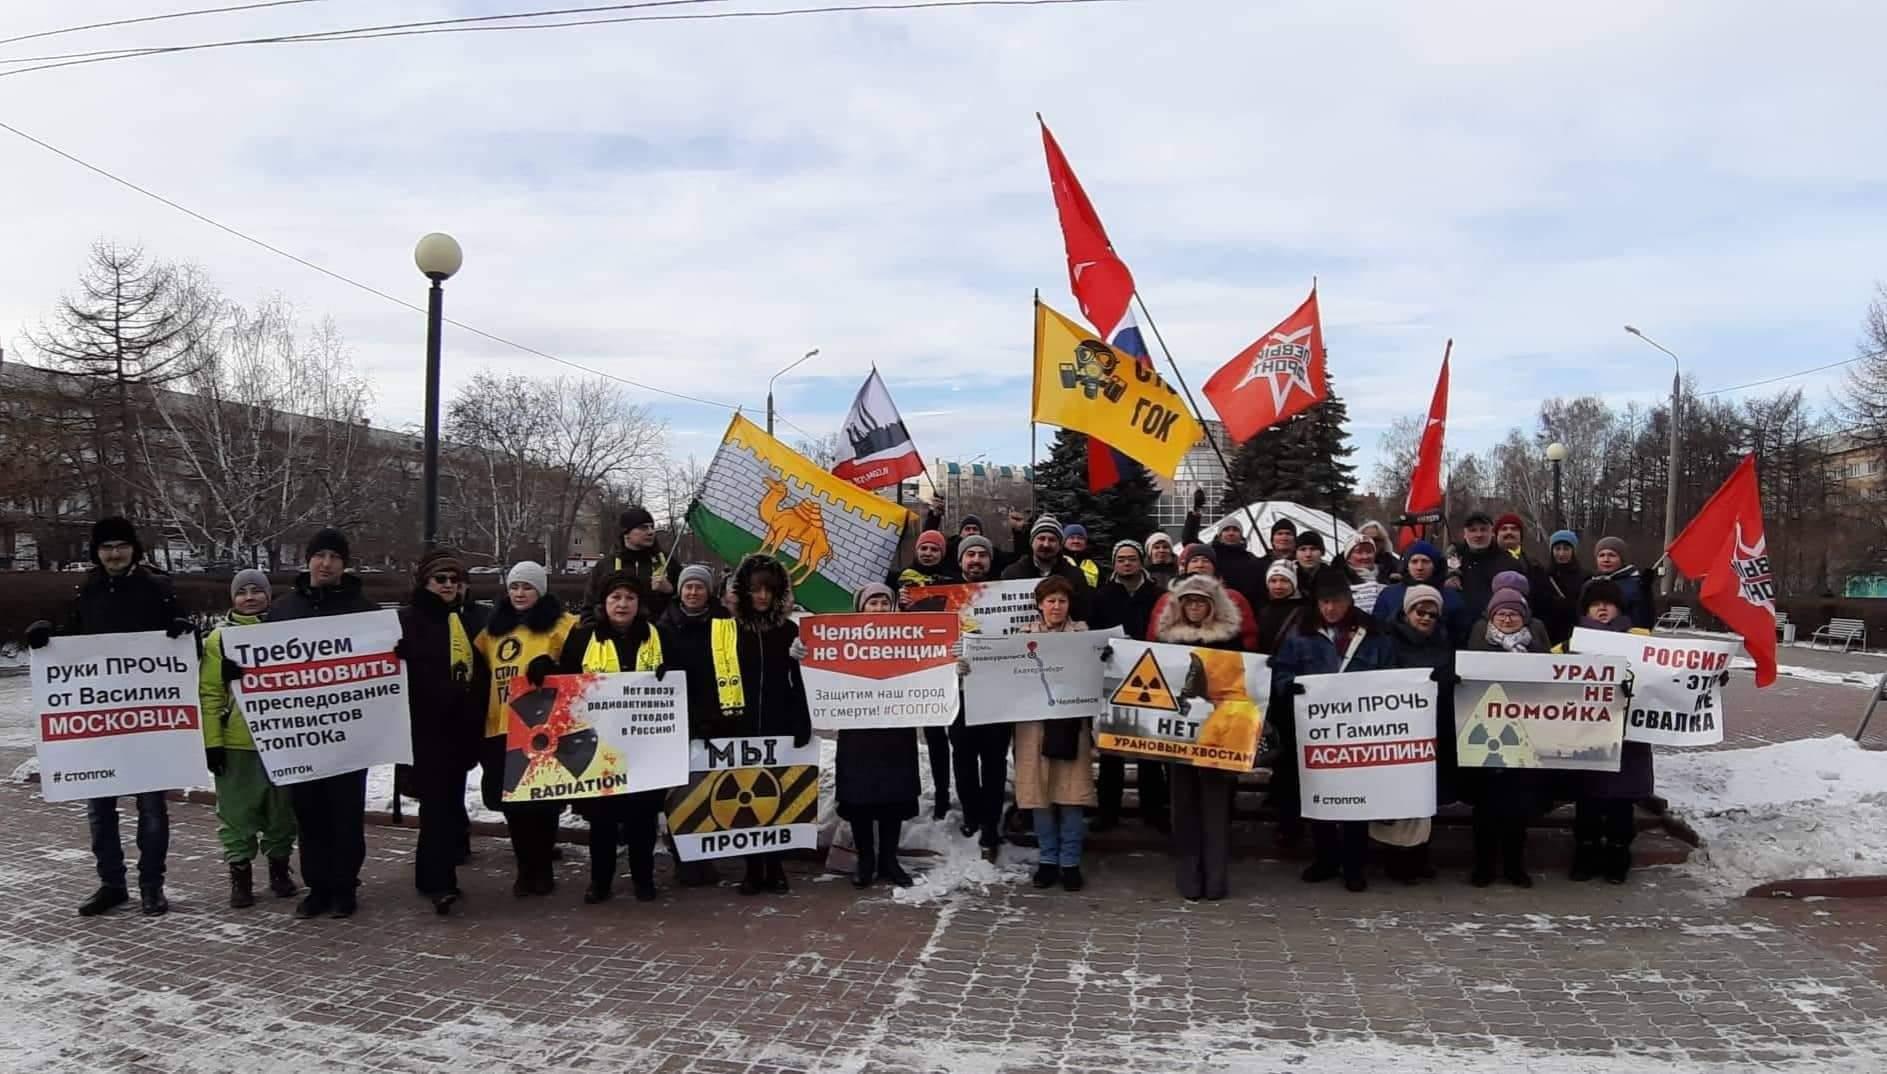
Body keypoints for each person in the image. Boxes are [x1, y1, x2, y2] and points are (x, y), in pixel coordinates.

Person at [26, 516, 192, 917]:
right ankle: (111, 884)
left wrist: (185, 634)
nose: (114, 554)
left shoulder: (158, 590)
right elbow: (71, 643)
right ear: (96, 552)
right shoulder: (86, 591)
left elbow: (185, 653)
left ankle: (152, 885)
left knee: (152, 809)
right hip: (100, 726)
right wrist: (45, 635)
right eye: (106, 547)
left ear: (134, 548)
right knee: (99, 810)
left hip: (148, 724)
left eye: (120, 545)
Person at [265, 527, 381, 919]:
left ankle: (345, 885)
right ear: (308, 560)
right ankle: (317, 886)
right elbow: (265, 665)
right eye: (320, 556)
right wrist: (240, 671)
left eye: (334, 557)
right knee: (309, 814)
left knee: (346, 814)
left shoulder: (364, 611)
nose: (326, 563)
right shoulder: (283, 609)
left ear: (344, 564)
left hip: (349, 734)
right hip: (303, 734)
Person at [1269, 569, 1396, 891]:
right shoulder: (1302, 634)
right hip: (1315, 731)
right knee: (1320, 796)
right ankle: (1325, 858)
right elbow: (1281, 673)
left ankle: (1354, 864)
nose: (1330, 609)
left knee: (1356, 800)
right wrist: (1292, 687)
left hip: (1359, 732)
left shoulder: (1373, 635)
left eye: (1336, 602)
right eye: (1324, 602)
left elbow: (1391, 675)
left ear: (1349, 601)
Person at [551, 572, 671, 903]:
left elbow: (682, 677)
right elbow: (565, 681)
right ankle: (600, 881)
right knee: (602, 819)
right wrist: (542, 669)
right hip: (599, 744)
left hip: (646, 744)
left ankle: (643, 880)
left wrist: (672, 673)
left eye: (630, 598)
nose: (622, 604)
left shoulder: (658, 636)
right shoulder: (583, 637)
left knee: (643, 819)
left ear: (639, 604)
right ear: (605, 603)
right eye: (616, 597)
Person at [472, 561, 579, 898]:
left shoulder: (562, 626)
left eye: (528, 587)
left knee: (542, 805)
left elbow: (580, 669)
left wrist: (553, 667)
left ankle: (542, 867)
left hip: (543, 729)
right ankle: (524, 868)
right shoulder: (491, 631)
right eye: (515, 586)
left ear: (541, 591)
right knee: (514, 806)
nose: (520, 593)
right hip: (501, 727)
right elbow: (476, 673)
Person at [710, 554, 813, 895]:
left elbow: (802, 680)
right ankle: (753, 867)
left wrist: (802, 719)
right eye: (756, 589)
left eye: (769, 590)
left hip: (777, 720)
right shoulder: (728, 629)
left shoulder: (789, 630)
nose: (762, 596)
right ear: (744, 590)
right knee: (745, 795)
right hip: (739, 722)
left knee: (776, 792)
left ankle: (776, 865)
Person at [396, 549, 488, 914]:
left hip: (460, 726)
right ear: (425, 582)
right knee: (437, 807)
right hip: (426, 727)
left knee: (448, 803)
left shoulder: (467, 619)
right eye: (441, 580)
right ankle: (440, 882)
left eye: (454, 579)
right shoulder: (409, 620)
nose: (449, 585)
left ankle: (429, 873)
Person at [201, 569, 298, 909]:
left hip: (282, 740)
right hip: (237, 743)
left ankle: (279, 871)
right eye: (243, 592)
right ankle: (240, 877)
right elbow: (210, 695)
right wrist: (213, 742)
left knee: (281, 812)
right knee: (237, 814)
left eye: (257, 591)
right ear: (233, 598)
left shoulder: (285, 633)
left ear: (269, 596)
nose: (250, 597)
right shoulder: (217, 640)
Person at [1152, 573, 1247, 900]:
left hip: (1219, 737)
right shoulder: (1167, 641)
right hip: (1178, 737)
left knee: (1215, 808)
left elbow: (1243, 684)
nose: (1194, 606)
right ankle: (1189, 877)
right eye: (1189, 601)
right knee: (1184, 807)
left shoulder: (1229, 641)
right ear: (1180, 605)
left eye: (1201, 601)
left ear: (1212, 606)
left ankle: (1216, 878)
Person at [828, 584, 919, 889]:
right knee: (860, 798)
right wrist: (803, 654)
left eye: (884, 602)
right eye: (873, 602)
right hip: (859, 730)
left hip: (896, 727)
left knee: (894, 796)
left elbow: (928, 665)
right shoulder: (842, 640)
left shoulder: (908, 638)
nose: (879, 608)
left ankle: (889, 860)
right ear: (860, 608)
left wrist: (952, 657)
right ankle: (866, 859)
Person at [1564, 578, 1654, 885]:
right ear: (1586, 609)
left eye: (1608, 602)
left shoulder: (1641, 639)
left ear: (1619, 607)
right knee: (1588, 800)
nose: (1602, 608)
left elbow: (1673, 671)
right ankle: (1585, 856)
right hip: (1585, 735)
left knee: (1621, 801)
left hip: (1628, 737)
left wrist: (1708, 676)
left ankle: (1618, 858)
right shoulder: (1571, 643)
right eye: (1595, 603)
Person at [1462, 586, 1551, 887]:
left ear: (1524, 619)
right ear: (1492, 617)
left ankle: (1515, 866)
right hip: (1484, 737)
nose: (1508, 618)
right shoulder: (1478, 648)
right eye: (1502, 613)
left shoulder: (1538, 649)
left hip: (1523, 737)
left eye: (1514, 613)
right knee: (1485, 808)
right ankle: (1482, 866)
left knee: (1518, 808)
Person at [1011, 575, 1096, 892]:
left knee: (1071, 794)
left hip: (1071, 722)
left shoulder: (1084, 635)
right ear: (1040, 605)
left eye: (1062, 600)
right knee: (1040, 794)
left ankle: (1070, 862)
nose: (1056, 606)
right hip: (1033, 725)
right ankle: (1047, 860)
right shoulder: (1022, 637)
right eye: (1051, 601)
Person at [656, 561, 732, 887]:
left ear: (708, 591)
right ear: (680, 589)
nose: (693, 592)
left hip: (714, 715)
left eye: (699, 586)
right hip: (675, 718)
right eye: (688, 586)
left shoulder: (724, 622)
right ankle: (682, 857)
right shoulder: (663, 625)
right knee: (678, 793)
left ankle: (706, 856)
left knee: (710, 789)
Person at [1090, 540, 1168, 834]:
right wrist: (1102, 652)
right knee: (1112, 749)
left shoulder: (1158, 595)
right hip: (1114, 678)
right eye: (1121, 559)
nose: (1126, 563)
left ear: (1141, 561)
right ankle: (1108, 811)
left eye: (1131, 558)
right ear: (1115, 563)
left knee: (1150, 747)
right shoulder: (1103, 596)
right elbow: (1094, 633)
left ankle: (1154, 810)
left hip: (1152, 675)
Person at [1381, 584, 1456, 884]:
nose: (1425, 618)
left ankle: (1420, 856)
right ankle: (1396, 859)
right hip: (1399, 729)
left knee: (1426, 799)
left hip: (1433, 729)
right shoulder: (1388, 642)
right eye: (1419, 612)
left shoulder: (1444, 643)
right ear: (1406, 612)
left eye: (1431, 614)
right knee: (1400, 798)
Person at [947, 535, 1012, 861]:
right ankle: (972, 813)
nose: (976, 560)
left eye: (982, 555)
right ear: (960, 561)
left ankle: (990, 822)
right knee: (963, 758)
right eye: (970, 554)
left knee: (995, 762)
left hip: (997, 693)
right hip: (957, 694)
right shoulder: (942, 596)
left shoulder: (1007, 595)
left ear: (990, 561)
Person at [892, 529, 958, 821]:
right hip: (920, 667)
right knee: (933, 737)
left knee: (956, 734)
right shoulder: (903, 579)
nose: (928, 553)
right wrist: (902, 606)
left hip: (950, 663)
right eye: (924, 548)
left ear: (942, 553)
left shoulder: (953, 578)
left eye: (934, 549)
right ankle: (939, 794)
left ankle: (951, 790)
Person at [1145, 545, 1259, 650]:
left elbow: (1248, 635)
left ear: (1214, 567)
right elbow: (1154, 633)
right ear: (1186, 566)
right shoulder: (1167, 598)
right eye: (1194, 561)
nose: (1200, 565)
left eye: (1206, 561)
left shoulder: (1233, 596)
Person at [584, 507, 680, 616]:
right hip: (616, 632)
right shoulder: (606, 566)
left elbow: (687, 602)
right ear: (626, 533)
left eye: (652, 527)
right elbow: (589, 607)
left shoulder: (667, 562)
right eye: (643, 528)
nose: (651, 532)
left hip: (659, 631)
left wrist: (670, 591)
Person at [1372, 540, 1470, 645]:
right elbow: (1377, 630)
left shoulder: (1451, 597)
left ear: (1436, 565)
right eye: (1414, 561)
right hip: (1394, 657)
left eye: (1425, 561)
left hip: (1439, 656)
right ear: (1406, 565)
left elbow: (1460, 635)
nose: (1419, 567)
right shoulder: (1389, 594)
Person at [1000, 515, 1092, 620]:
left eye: (1052, 540)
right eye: (1041, 538)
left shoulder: (1075, 575)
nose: (1046, 544)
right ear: (1032, 542)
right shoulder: (1012, 574)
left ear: (1060, 544)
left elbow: (1084, 613)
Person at [1586, 537, 1659, 630]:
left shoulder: (1637, 584)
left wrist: (1646, 592)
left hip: (1625, 638)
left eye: (1612, 555)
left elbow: (1644, 621)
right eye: (1601, 555)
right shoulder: (1589, 584)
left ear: (1622, 559)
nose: (1606, 559)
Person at [1449, 511, 1507, 617]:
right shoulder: (1453, 556)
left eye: (1483, 530)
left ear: (1492, 532)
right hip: (1458, 625)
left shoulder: (1506, 561)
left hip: (1495, 623)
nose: (1478, 535)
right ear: (1465, 534)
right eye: (1473, 530)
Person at [1539, 530, 1589, 648]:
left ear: (1573, 551)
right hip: (1549, 634)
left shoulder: (1585, 576)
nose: (1561, 553)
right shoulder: (1543, 575)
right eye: (1557, 549)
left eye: (1566, 549)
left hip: (1575, 633)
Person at [1255, 560, 1305, 655]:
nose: (1278, 586)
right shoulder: (1262, 609)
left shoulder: (1305, 611)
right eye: (1273, 581)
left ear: (1294, 583)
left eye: (1284, 580)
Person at [1341, 534, 1387, 614]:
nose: (1365, 556)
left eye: (1369, 551)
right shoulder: (1340, 580)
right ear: (1348, 557)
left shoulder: (1386, 576)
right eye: (1359, 552)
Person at [1061, 524, 1102, 588]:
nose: (1076, 541)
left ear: (1085, 542)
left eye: (1080, 538)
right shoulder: (1058, 561)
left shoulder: (1094, 565)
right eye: (1072, 538)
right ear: (1064, 541)